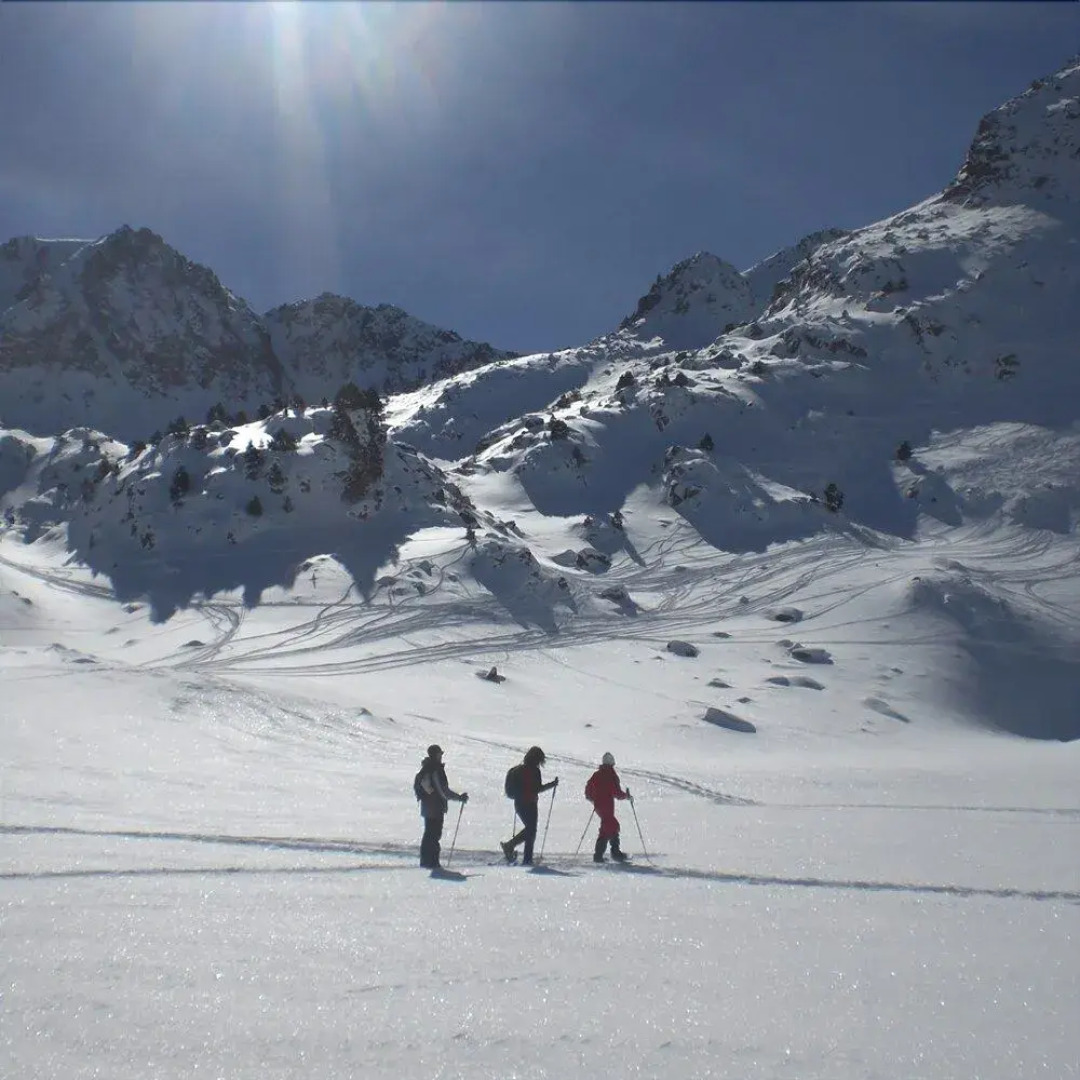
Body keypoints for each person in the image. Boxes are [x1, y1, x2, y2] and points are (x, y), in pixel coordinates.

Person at [501, 745, 558, 866]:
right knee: (531, 830)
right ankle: (515, 850)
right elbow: (538, 788)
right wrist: (552, 785)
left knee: (530, 830)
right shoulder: (535, 771)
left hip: (519, 803)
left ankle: (522, 855)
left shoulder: (518, 770)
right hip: (530, 803)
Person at [416, 744, 468, 869]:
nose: (441, 756)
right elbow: (443, 791)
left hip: (427, 806)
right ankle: (433, 863)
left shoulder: (427, 768)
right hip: (435, 807)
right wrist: (459, 797)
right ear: (436, 755)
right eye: (440, 753)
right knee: (434, 835)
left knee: (429, 834)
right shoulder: (436, 769)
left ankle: (426, 861)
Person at [585, 752, 631, 862]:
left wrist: (593, 799)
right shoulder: (611, 775)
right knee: (611, 825)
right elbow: (616, 792)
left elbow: (588, 790)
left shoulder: (596, 775)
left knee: (608, 826)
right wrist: (626, 796)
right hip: (607, 805)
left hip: (598, 806)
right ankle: (613, 853)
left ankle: (602, 854)